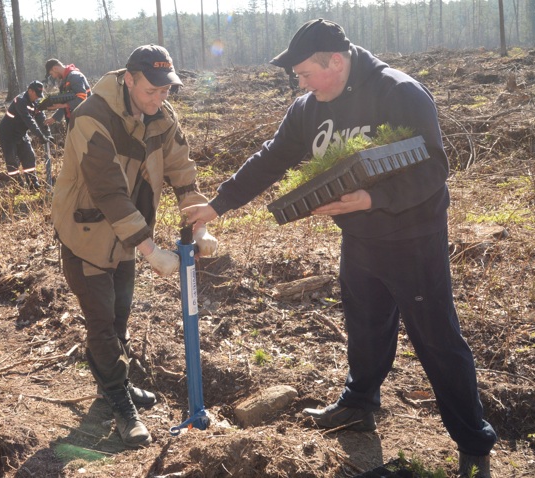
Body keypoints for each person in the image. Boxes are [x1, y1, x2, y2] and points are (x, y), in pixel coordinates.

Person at [182, 19, 497, 477]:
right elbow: (272, 158)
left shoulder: (399, 93)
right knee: (365, 325)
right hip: (359, 239)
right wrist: (219, 204)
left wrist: (374, 198)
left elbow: (433, 169)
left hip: (413, 240)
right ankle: (360, 404)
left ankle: (473, 441)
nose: (301, 84)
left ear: (337, 61)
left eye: (307, 73)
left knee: (436, 338)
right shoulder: (309, 108)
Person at [51, 44, 218, 449]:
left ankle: (110, 386)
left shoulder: (160, 113)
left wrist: (198, 223)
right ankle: (121, 405)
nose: (159, 98)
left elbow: (181, 170)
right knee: (103, 323)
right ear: (129, 80)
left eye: (166, 90)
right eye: (151, 90)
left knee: (120, 316)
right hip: (86, 234)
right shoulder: (93, 116)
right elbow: (108, 192)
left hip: (127, 236)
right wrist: (150, 250)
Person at [0, 81, 52, 189]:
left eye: (39, 95)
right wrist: (39, 135)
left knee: (29, 156)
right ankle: (17, 184)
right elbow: (29, 121)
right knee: (11, 159)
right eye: (36, 94)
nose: (37, 97)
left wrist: (47, 133)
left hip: (21, 133)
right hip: (8, 133)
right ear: (30, 91)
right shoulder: (20, 100)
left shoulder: (37, 101)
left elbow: (41, 118)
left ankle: (32, 182)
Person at [43, 58, 92, 127]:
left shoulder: (74, 76)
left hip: (85, 119)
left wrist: (63, 105)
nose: (53, 77)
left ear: (55, 68)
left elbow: (82, 98)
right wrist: (54, 118)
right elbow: (66, 103)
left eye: (52, 74)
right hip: (75, 119)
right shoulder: (65, 81)